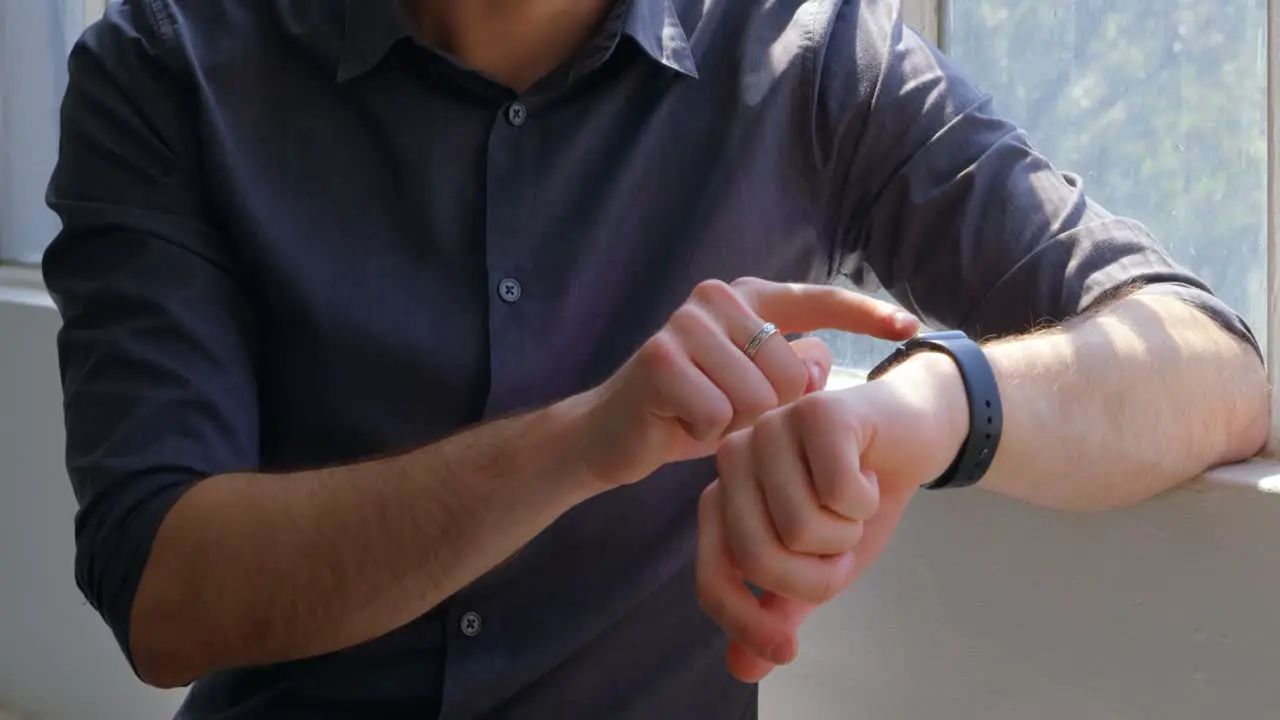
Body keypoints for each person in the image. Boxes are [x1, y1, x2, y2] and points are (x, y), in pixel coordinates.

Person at [43, 0, 1267, 717]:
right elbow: (162, 589)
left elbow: (1205, 365)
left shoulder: (802, 52)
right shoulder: (164, 68)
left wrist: (929, 406)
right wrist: (581, 442)